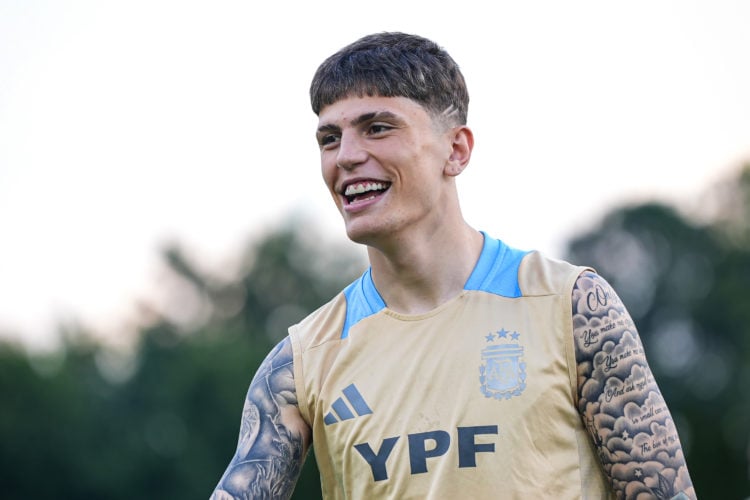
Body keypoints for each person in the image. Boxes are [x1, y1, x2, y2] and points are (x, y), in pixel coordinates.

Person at [210, 32, 696, 499]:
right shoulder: (302, 361)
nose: (347, 156)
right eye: (330, 138)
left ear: (456, 150)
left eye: (377, 128)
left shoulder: (570, 307)